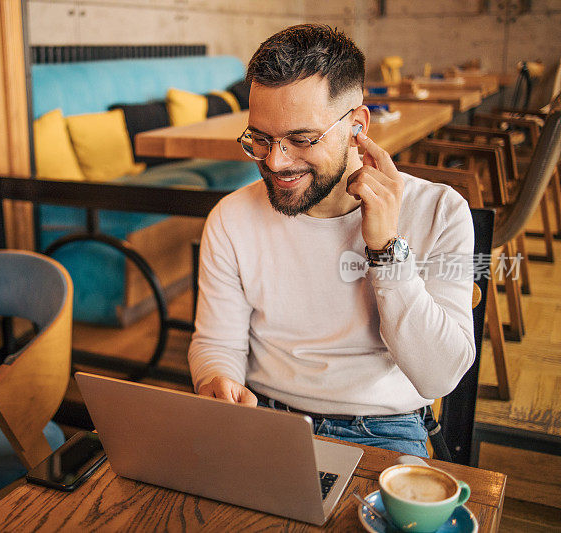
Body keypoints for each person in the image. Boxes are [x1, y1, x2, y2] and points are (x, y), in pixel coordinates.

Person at [188, 24, 475, 457]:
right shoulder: (231, 218)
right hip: (266, 418)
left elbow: (438, 377)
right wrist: (218, 382)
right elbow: (217, 344)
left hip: (384, 427)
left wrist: (386, 252)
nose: (275, 161)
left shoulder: (440, 211)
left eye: (301, 139)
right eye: (260, 139)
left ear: (357, 125)